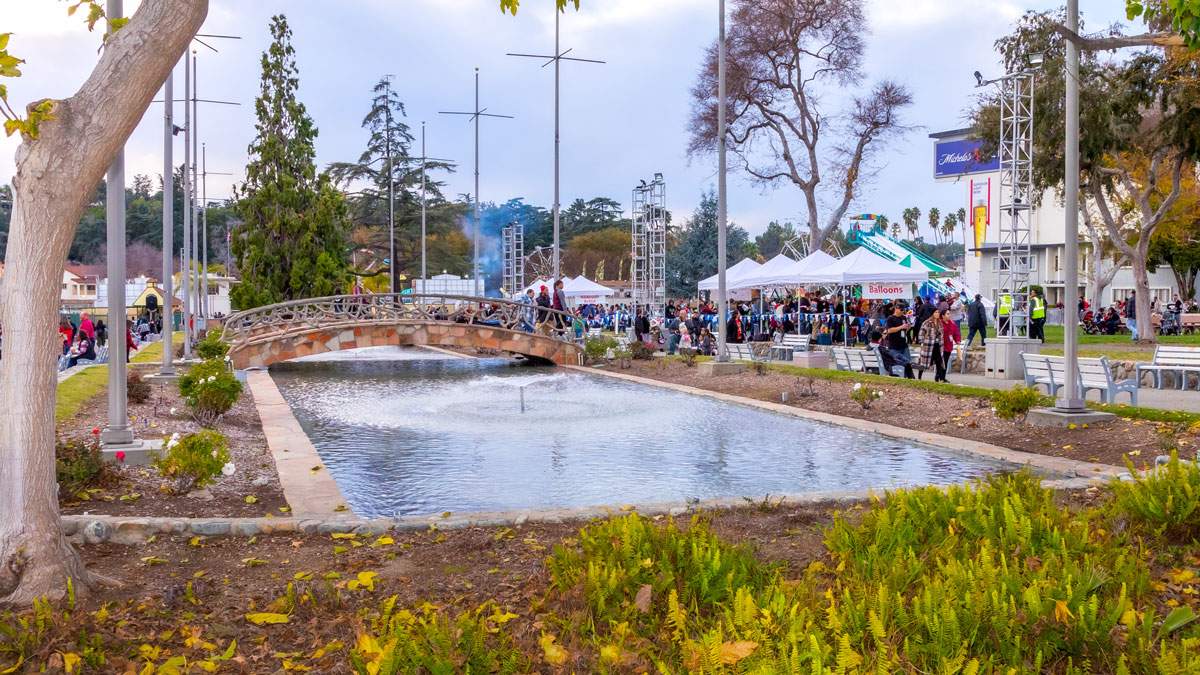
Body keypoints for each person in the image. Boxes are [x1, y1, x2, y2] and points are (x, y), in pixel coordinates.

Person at [882, 304, 914, 379]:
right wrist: (901, 327)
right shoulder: (890, 318)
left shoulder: (903, 317)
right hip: (894, 346)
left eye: (903, 310)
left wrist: (908, 327)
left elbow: (905, 329)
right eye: (901, 310)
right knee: (898, 363)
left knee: (908, 363)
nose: (902, 312)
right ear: (896, 309)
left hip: (903, 344)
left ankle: (909, 378)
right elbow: (889, 330)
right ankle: (901, 377)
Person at [915, 308, 945, 381]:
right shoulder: (927, 323)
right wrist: (924, 342)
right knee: (923, 362)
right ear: (932, 313)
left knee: (939, 362)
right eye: (936, 312)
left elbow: (942, 333)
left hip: (938, 346)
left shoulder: (940, 322)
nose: (937, 314)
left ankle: (938, 379)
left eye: (938, 312)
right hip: (928, 346)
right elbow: (921, 335)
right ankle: (919, 377)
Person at [940, 310, 961, 383]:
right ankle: (940, 377)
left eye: (949, 314)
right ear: (943, 316)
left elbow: (956, 332)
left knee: (945, 362)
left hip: (949, 346)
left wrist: (958, 340)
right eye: (947, 314)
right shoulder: (940, 323)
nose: (949, 315)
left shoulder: (952, 323)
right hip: (941, 346)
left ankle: (942, 378)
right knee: (941, 362)